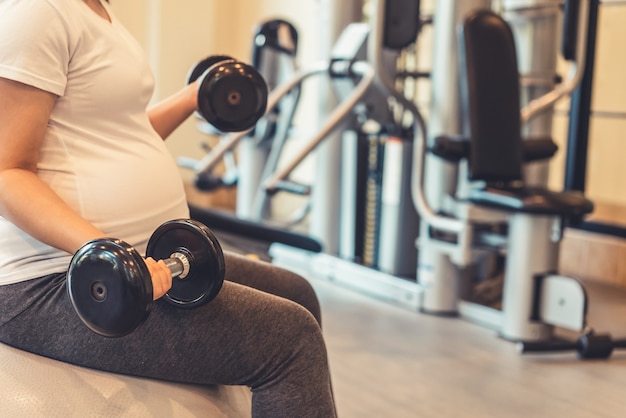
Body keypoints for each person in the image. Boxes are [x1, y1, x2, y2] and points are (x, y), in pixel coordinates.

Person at [0, 0, 337, 417]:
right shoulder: (39, 12)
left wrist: (194, 97)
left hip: (138, 256)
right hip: (56, 277)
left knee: (296, 292)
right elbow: (7, 173)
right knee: (290, 339)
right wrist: (106, 251)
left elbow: (123, 135)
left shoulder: (97, 12)